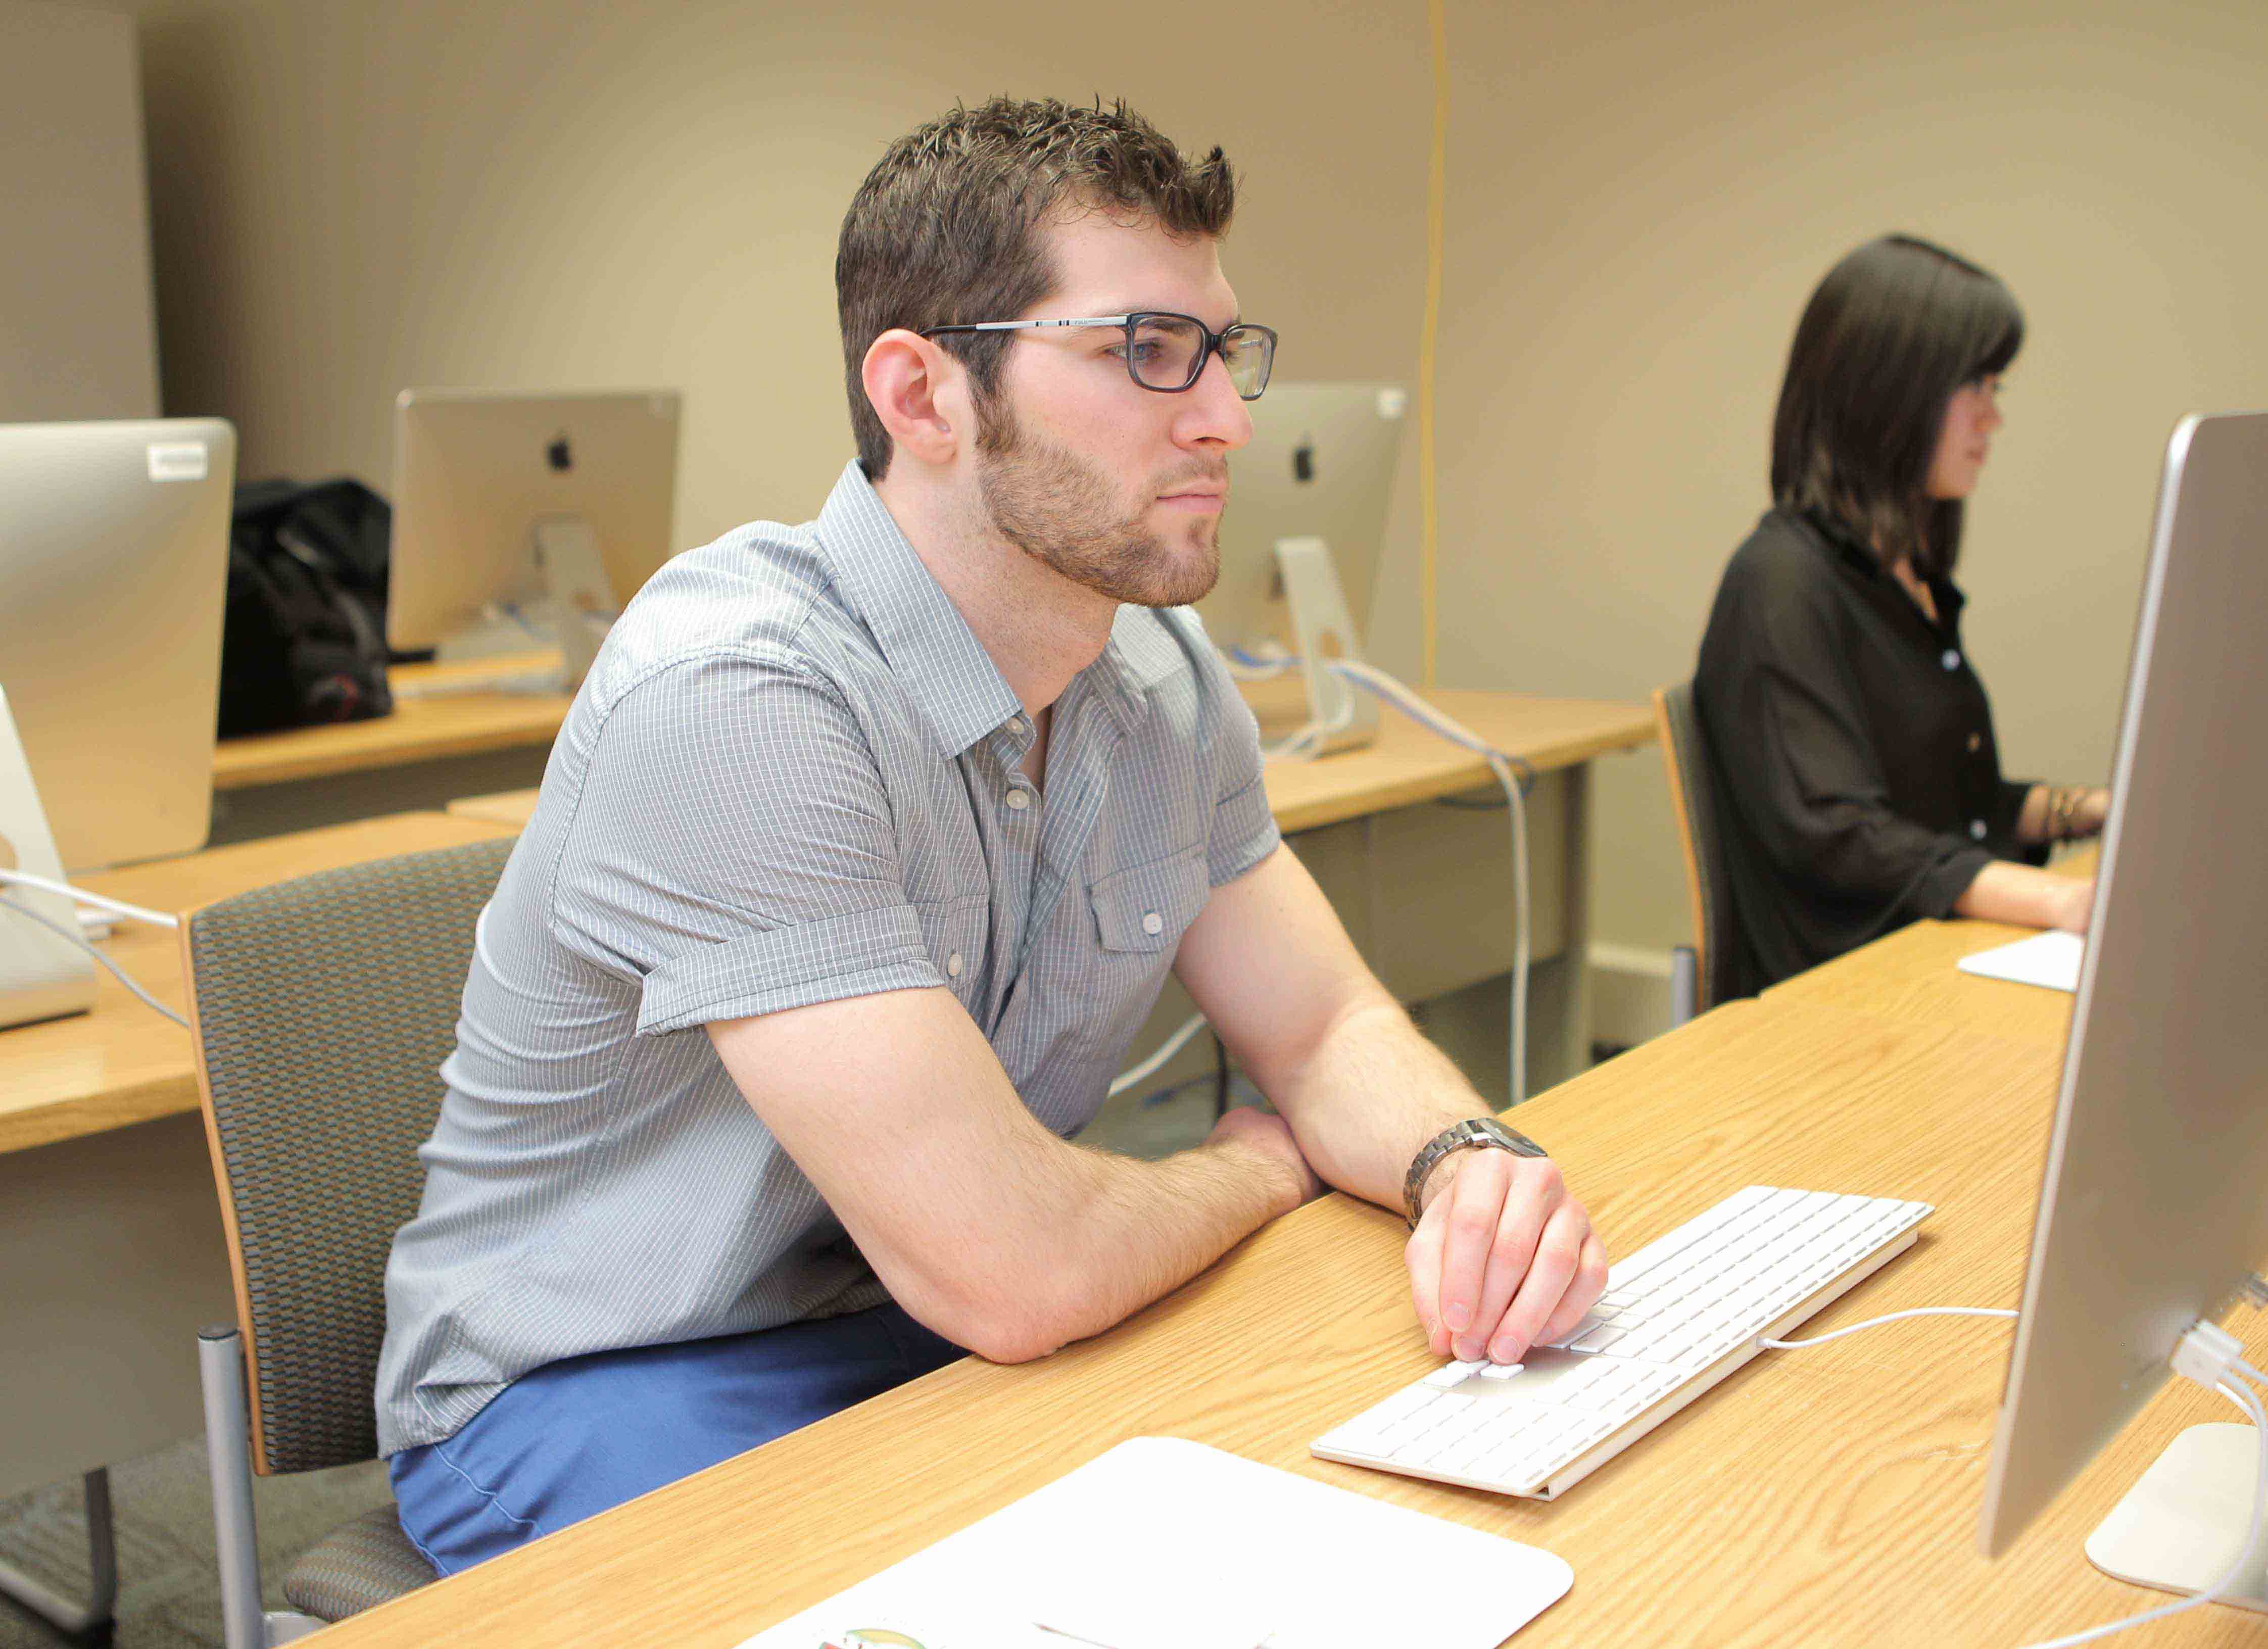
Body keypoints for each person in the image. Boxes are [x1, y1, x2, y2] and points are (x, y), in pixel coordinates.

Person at [374, 96, 1606, 1574]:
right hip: (608, 1382)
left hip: (926, 1325)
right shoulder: (741, 697)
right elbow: (1019, 1271)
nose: (1225, 416)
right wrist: (1261, 1171)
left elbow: (1328, 1022)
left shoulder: (1160, 674)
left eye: (1222, 353)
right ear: (923, 397)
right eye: (1148, 351)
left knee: (1375, 1496)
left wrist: (1457, 1161)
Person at [1693, 233, 2109, 1000]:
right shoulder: (1780, 583)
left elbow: (1947, 808)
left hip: (1920, 970)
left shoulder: (1905, 578)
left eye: (1997, 386)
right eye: (1974, 386)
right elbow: (1841, 835)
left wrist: (2091, 811)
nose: (1993, 419)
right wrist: (2059, 900)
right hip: (1836, 1005)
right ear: (1892, 393)